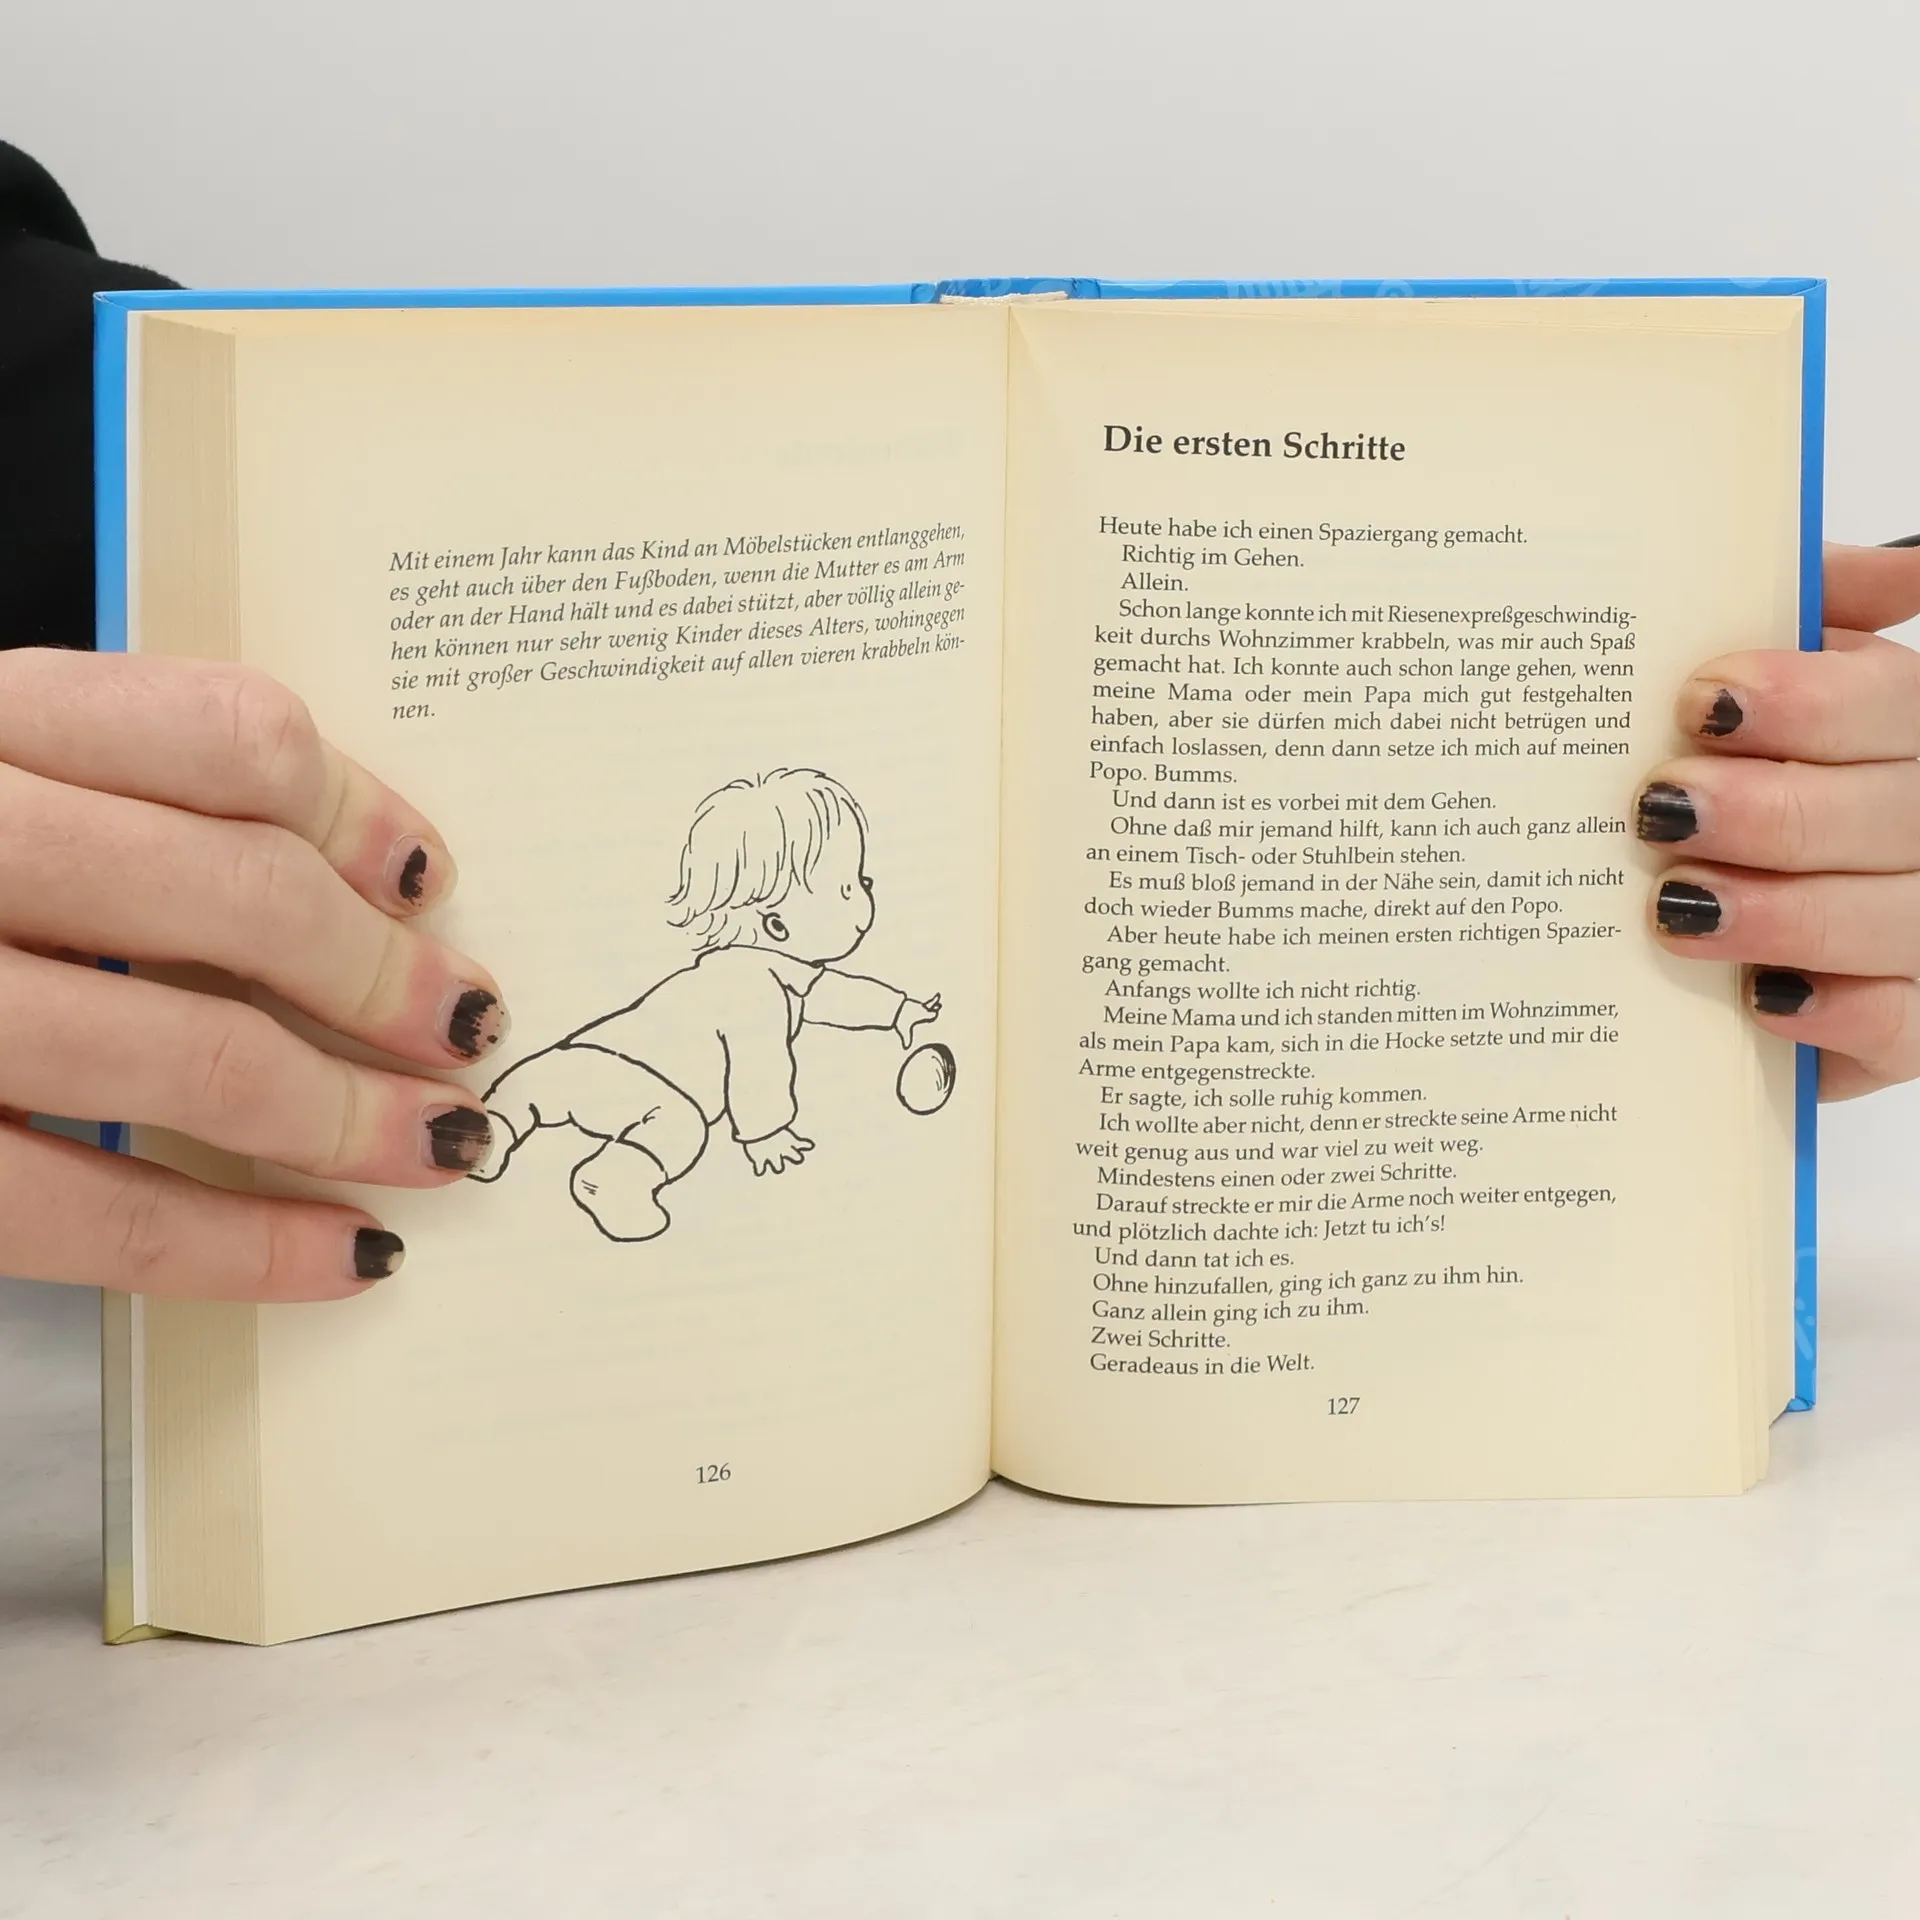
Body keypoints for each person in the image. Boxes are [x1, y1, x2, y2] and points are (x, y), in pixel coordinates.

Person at [6, 145, 1919, 1303]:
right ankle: (607, 1163)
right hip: (610, 1081)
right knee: (618, 1116)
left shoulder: (785, 970)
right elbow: (761, 1048)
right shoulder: (736, 989)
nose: (854, 914)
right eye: (837, 890)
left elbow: (71, 468)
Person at [474, 768, 940, 1242]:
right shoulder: (757, 989)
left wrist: (897, 1010)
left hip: (587, 1054)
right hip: (654, 1087)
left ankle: (494, 1132)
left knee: (540, 1086)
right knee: (680, 1129)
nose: (866, 898)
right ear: (776, 924)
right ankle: (615, 1177)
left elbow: (833, 994)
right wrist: (765, 1132)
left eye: (862, 880)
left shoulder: (755, 972)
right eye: (848, 887)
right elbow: (758, 1062)